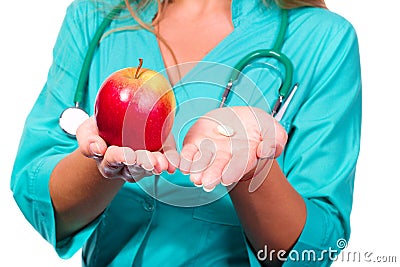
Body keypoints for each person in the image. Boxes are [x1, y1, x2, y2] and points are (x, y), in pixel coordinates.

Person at [10, 0, 362, 266]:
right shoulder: (95, 15)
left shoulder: (323, 38)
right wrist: (104, 160)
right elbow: (41, 200)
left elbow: (316, 249)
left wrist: (250, 166)